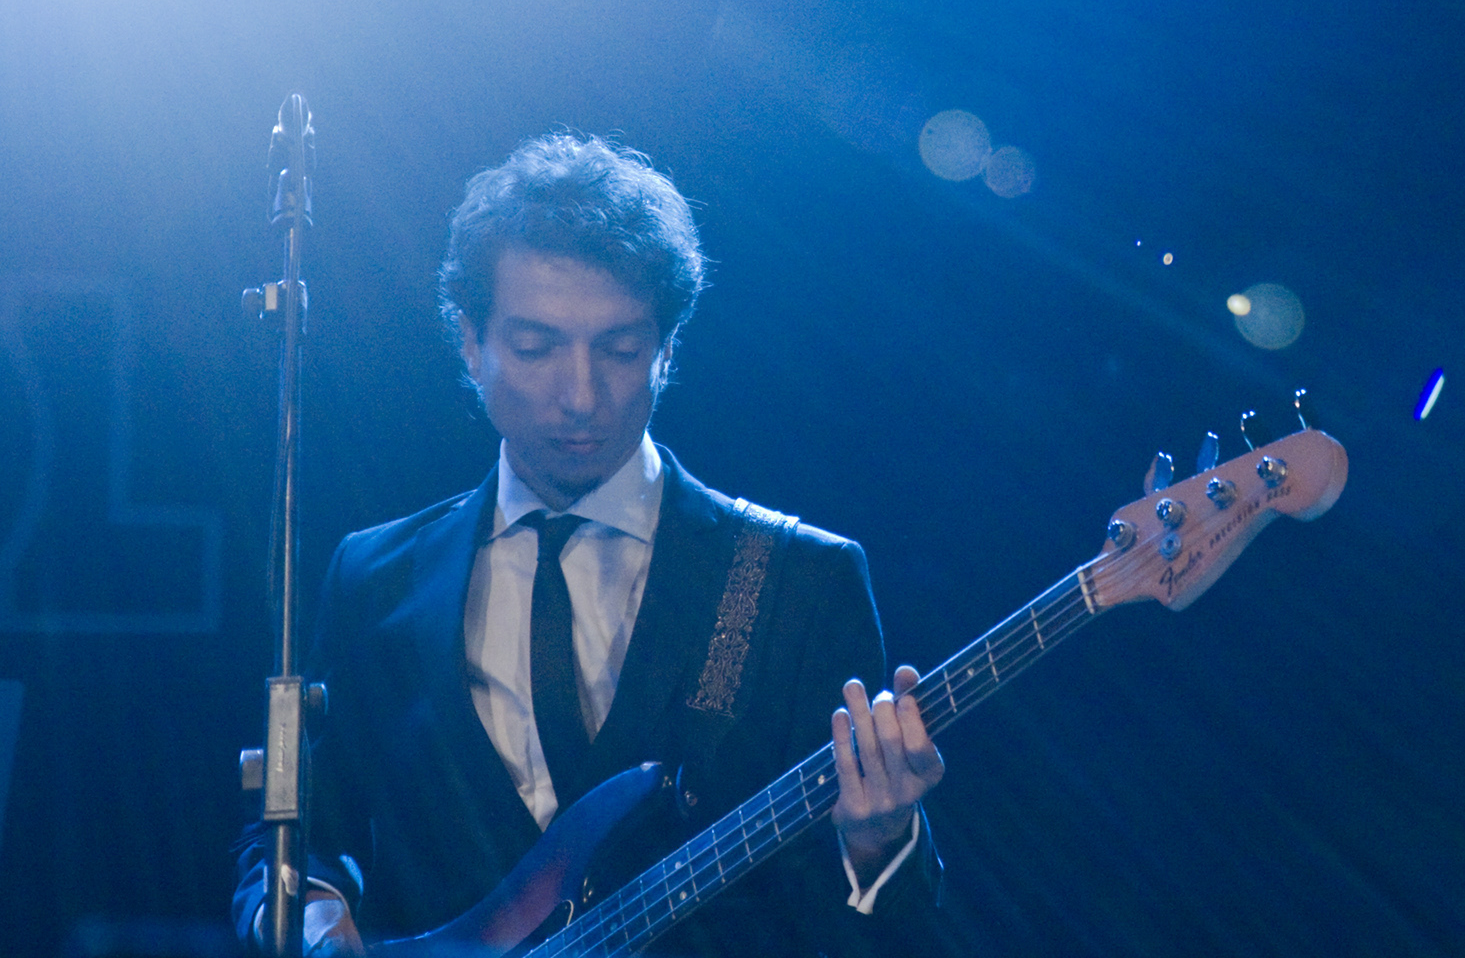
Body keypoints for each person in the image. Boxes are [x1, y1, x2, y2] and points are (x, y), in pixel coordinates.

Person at [232, 133, 945, 957]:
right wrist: (310, 914)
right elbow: (297, 840)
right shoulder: (375, 579)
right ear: (470, 341)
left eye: (621, 350)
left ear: (667, 350)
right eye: (536, 348)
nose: (580, 396)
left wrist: (879, 844)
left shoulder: (798, 581)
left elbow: (883, 938)